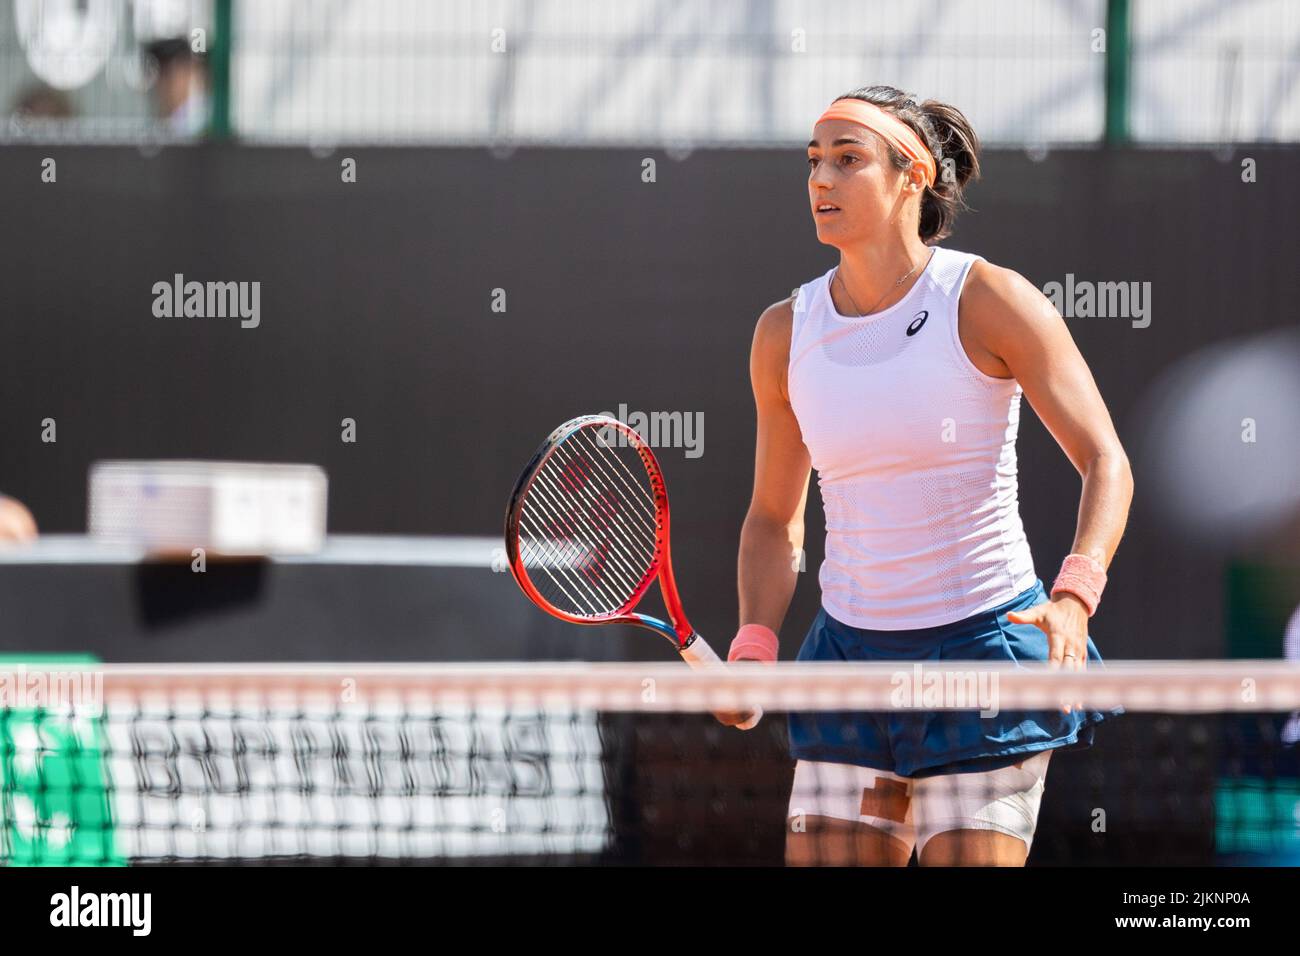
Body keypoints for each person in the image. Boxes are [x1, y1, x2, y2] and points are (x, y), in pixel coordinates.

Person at [722, 86, 1133, 866]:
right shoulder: (784, 332)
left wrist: (1075, 597)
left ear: (912, 175)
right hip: (848, 665)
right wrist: (752, 644)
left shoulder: (989, 300)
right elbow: (775, 519)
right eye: (814, 162)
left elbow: (1105, 459)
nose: (821, 181)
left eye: (848, 161)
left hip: (984, 652)